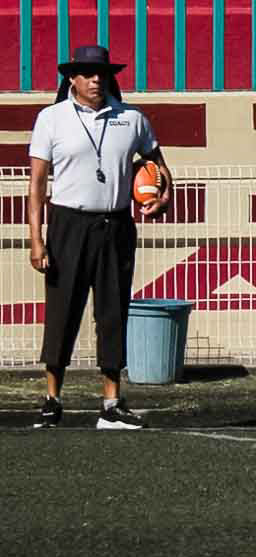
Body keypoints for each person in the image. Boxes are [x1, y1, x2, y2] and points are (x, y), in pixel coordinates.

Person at [26, 45, 171, 430]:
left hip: (116, 224)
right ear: (71, 78)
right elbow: (37, 185)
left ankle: (111, 403)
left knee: (113, 312)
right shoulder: (51, 119)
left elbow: (158, 166)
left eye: (102, 73)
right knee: (62, 311)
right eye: (88, 74)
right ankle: (52, 400)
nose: (96, 80)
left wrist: (163, 195)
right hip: (68, 224)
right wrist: (36, 240)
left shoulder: (132, 119)